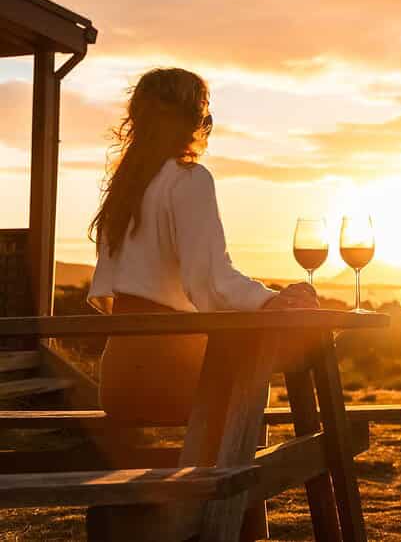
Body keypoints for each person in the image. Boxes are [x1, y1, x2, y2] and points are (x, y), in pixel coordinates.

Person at [87, 67, 317, 424]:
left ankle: (208, 473)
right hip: (166, 373)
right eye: (204, 113)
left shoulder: (125, 189)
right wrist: (272, 301)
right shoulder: (188, 179)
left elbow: (106, 294)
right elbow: (211, 283)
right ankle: (233, 479)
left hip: (118, 380)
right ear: (192, 120)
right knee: (252, 387)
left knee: (238, 378)